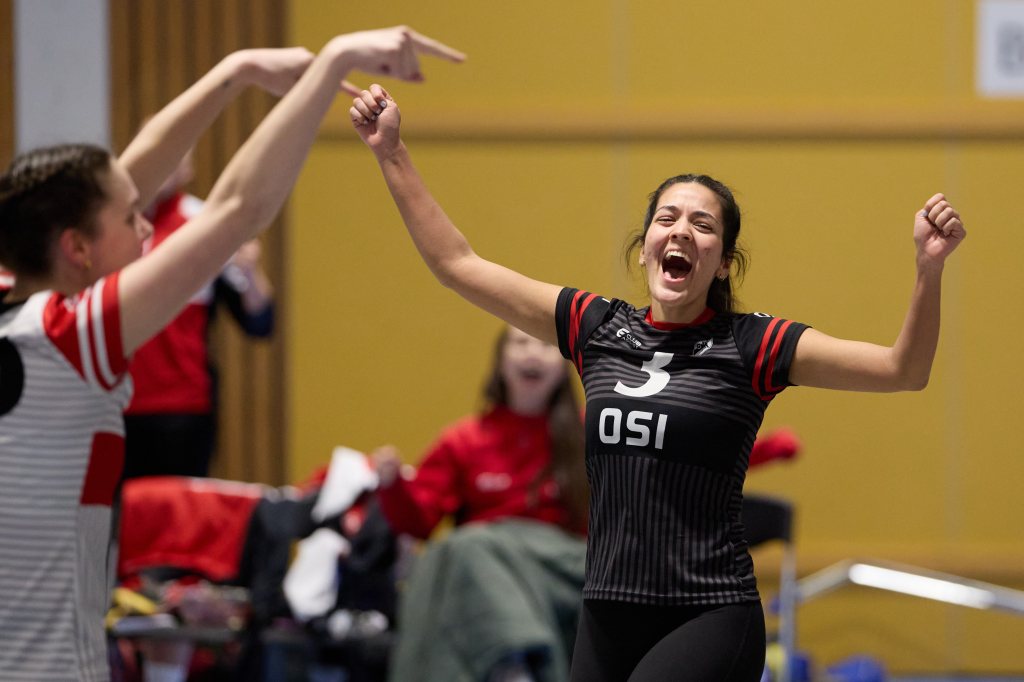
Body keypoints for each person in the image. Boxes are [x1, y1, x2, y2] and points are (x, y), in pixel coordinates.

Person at [349, 83, 966, 681]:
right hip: (607, 612)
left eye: (702, 224)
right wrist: (391, 151)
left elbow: (902, 371)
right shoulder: (595, 326)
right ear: (645, 247)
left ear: (722, 262)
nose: (680, 231)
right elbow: (456, 264)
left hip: (710, 612)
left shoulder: (754, 344)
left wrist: (928, 270)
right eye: (666, 218)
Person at [0, 28, 464, 681]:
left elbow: (126, 178)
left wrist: (238, 69)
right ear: (77, 249)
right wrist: (333, 64)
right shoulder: (63, 338)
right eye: (132, 219)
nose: (146, 227)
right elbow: (241, 208)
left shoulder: (17, 292)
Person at [373, 325, 589, 682]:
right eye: (521, 343)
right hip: (485, 571)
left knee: (467, 547)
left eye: (545, 345)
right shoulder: (464, 440)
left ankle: (513, 666)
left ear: (565, 363)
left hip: (564, 568)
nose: (532, 353)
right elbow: (419, 524)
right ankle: (511, 667)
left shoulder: (590, 433)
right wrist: (392, 485)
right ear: (501, 360)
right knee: (450, 558)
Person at [123, 148, 276, 479]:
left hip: (181, 410)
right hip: (111, 406)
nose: (165, 162)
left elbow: (260, 322)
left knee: (177, 509)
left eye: (176, 152)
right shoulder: (110, 226)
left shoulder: (206, 224)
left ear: (188, 168)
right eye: (160, 149)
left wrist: (250, 274)